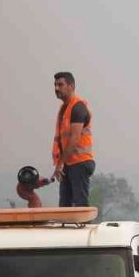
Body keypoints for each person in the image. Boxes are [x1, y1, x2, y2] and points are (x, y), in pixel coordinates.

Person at [51, 71, 95, 207]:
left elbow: (74, 139)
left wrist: (60, 164)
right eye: (55, 85)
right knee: (64, 207)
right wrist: (61, 163)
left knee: (80, 205)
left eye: (60, 85)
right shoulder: (64, 108)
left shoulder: (78, 107)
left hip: (80, 162)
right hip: (68, 163)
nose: (56, 88)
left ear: (71, 86)